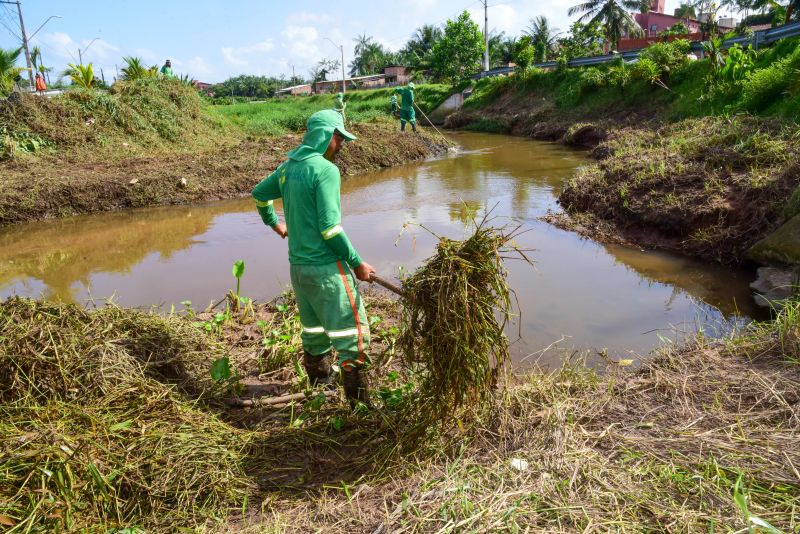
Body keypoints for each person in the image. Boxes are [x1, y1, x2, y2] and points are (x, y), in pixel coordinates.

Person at [252, 109, 375, 406]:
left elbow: (259, 194)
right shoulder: (325, 170)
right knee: (352, 335)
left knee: (315, 331)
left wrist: (276, 225)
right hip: (326, 270)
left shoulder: (287, 169)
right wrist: (357, 262)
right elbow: (330, 229)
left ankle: (321, 386)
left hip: (299, 270)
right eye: (339, 138)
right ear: (326, 137)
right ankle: (361, 406)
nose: (341, 145)